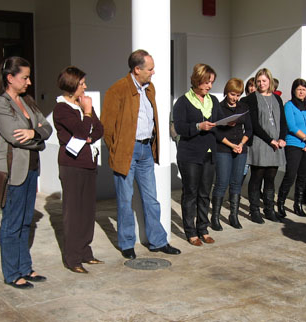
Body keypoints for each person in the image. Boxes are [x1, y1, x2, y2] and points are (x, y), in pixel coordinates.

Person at [101, 49, 181, 258]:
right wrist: (118, 150)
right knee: (125, 200)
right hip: (126, 152)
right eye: (150, 68)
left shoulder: (149, 88)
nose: (153, 72)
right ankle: (127, 244)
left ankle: (158, 241)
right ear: (137, 69)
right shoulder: (117, 90)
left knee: (151, 199)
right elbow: (107, 129)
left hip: (146, 149)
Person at [0, 56, 52, 289]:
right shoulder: (0, 103)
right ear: (10, 78)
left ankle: (25, 267)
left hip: (31, 169)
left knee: (26, 221)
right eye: (24, 77)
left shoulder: (28, 102)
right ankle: (12, 272)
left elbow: (47, 128)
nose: (28, 82)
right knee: (12, 223)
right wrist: (38, 135)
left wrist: (35, 134)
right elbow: (15, 136)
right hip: (13, 172)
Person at [53, 66, 104, 274]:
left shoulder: (81, 106)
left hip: (88, 162)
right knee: (73, 212)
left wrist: (88, 129)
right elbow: (82, 130)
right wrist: (88, 113)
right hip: (71, 165)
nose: (86, 87)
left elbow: (99, 129)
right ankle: (72, 257)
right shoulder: (62, 109)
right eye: (82, 83)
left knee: (87, 210)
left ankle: (85, 251)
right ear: (72, 85)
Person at [173, 63, 220, 246]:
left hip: (209, 152)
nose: (209, 86)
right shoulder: (183, 102)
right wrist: (198, 127)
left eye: (211, 82)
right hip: (190, 154)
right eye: (207, 82)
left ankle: (203, 228)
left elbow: (219, 121)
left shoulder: (214, 101)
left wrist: (228, 123)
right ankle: (190, 231)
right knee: (190, 193)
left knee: (204, 193)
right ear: (197, 80)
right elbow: (179, 128)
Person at [242, 68, 287, 224]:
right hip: (260, 143)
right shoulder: (251, 99)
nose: (261, 84)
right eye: (259, 81)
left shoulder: (277, 99)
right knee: (257, 177)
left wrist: (282, 138)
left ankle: (269, 209)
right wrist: (270, 140)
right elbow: (254, 124)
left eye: (264, 81)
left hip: (275, 144)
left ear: (270, 82)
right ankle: (254, 210)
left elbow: (282, 121)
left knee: (270, 178)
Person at [211, 78, 252, 230]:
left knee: (236, 183)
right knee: (221, 183)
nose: (235, 98)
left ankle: (233, 215)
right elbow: (215, 130)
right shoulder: (219, 107)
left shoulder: (244, 107)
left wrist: (241, 144)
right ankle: (215, 217)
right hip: (223, 148)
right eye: (232, 94)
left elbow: (249, 129)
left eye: (238, 95)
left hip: (240, 148)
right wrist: (231, 144)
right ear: (227, 92)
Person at [277, 78, 306, 217]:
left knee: (303, 176)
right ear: (294, 91)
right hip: (294, 143)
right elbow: (292, 126)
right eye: (299, 89)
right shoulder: (289, 106)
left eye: (304, 89)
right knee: (291, 174)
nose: (301, 92)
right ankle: (281, 202)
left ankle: (298, 204)